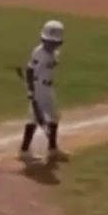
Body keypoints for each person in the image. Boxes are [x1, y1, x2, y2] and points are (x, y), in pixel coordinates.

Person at [17, 20, 69, 164]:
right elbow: (29, 70)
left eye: (53, 42)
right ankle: (24, 151)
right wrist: (31, 91)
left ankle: (52, 149)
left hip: (48, 88)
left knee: (53, 117)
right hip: (38, 89)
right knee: (34, 119)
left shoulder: (54, 53)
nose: (49, 44)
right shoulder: (39, 53)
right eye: (47, 41)